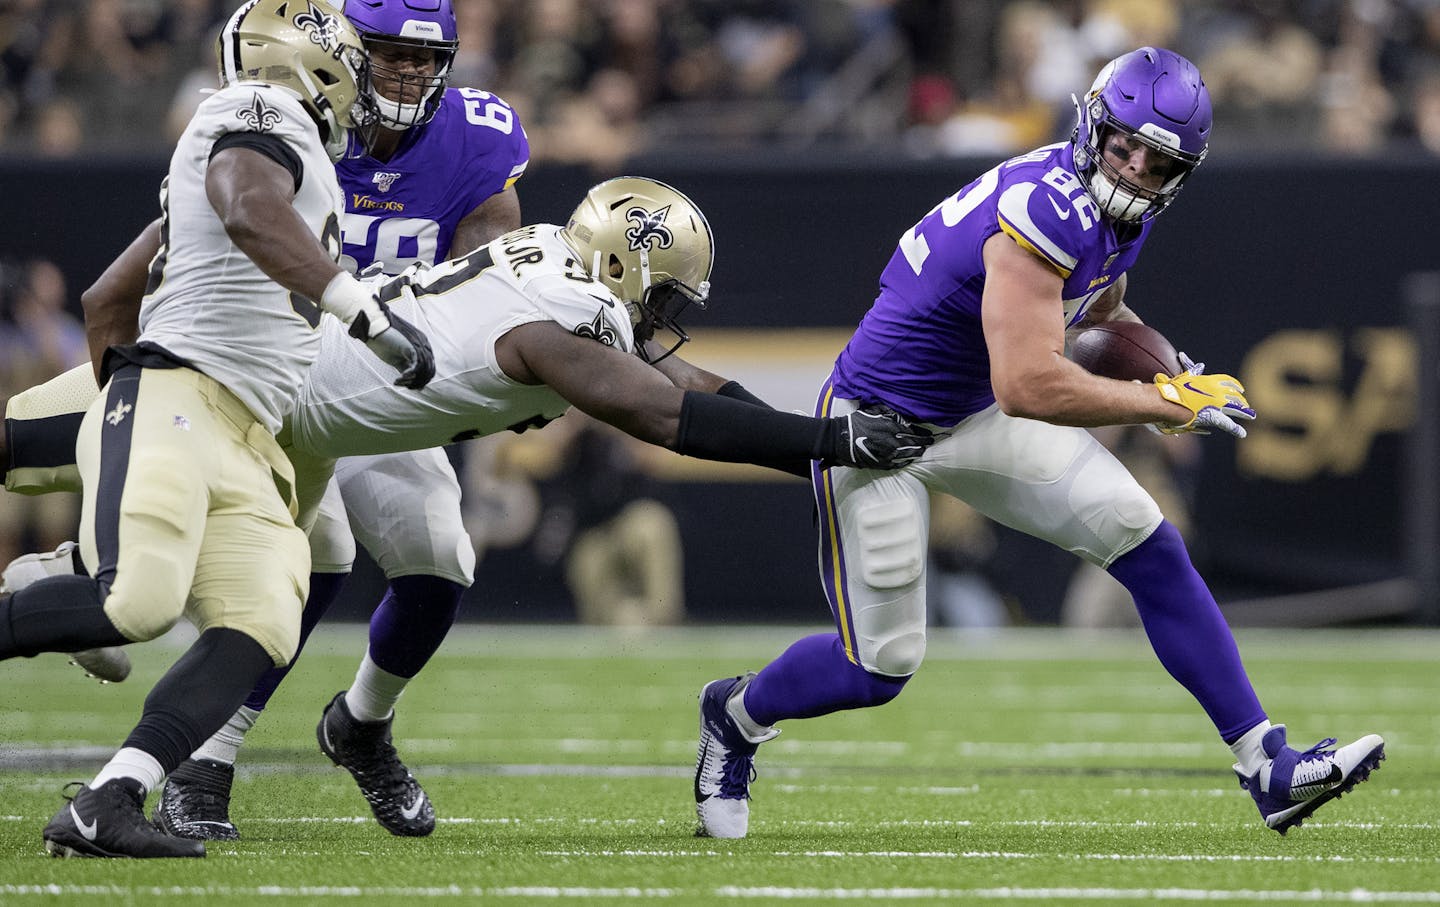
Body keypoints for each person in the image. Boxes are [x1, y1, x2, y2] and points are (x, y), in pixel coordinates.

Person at [1, 176, 934, 849]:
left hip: (304, 430)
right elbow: (667, 414)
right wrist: (832, 447)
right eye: (662, 297)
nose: (665, 318)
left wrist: (821, 438)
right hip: (236, 385)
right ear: (618, 265)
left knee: (261, 616)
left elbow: (688, 378)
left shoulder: (564, 279)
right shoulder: (555, 322)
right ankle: (71, 579)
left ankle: (120, 747)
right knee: (24, 455)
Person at [691, 47, 1385, 840]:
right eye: (1122, 144)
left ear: (1178, 174)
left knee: (1147, 540)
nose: (1130, 168)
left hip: (976, 410)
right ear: (1094, 123)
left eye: (1155, 162)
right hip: (880, 425)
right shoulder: (1046, 211)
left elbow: (1099, 311)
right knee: (876, 667)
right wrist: (1162, 402)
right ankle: (735, 715)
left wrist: (1174, 368)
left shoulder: (1124, 215)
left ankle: (1267, 763)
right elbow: (1029, 383)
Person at [0, 0, 436, 860]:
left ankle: (108, 800)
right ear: (313, 62)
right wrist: (357, 310)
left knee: (266, 619)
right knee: (139, 602)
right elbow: (243, 204)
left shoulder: (293, 156)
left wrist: (108, 419)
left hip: (252, 439)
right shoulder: (253, 110)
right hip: (183, 398)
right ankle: (53, 575)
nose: (362, 91)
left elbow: (104, 301)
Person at [153, 0, 531, 843]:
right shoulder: (287, 110)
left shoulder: (478, 138)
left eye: (424, 61)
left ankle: (360, 721)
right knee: (296, 563)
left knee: (440, 561)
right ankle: (204, 756)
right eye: (389, 55)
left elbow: (487, 287)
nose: (407, 75)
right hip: (271, 372)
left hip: (383, 379)